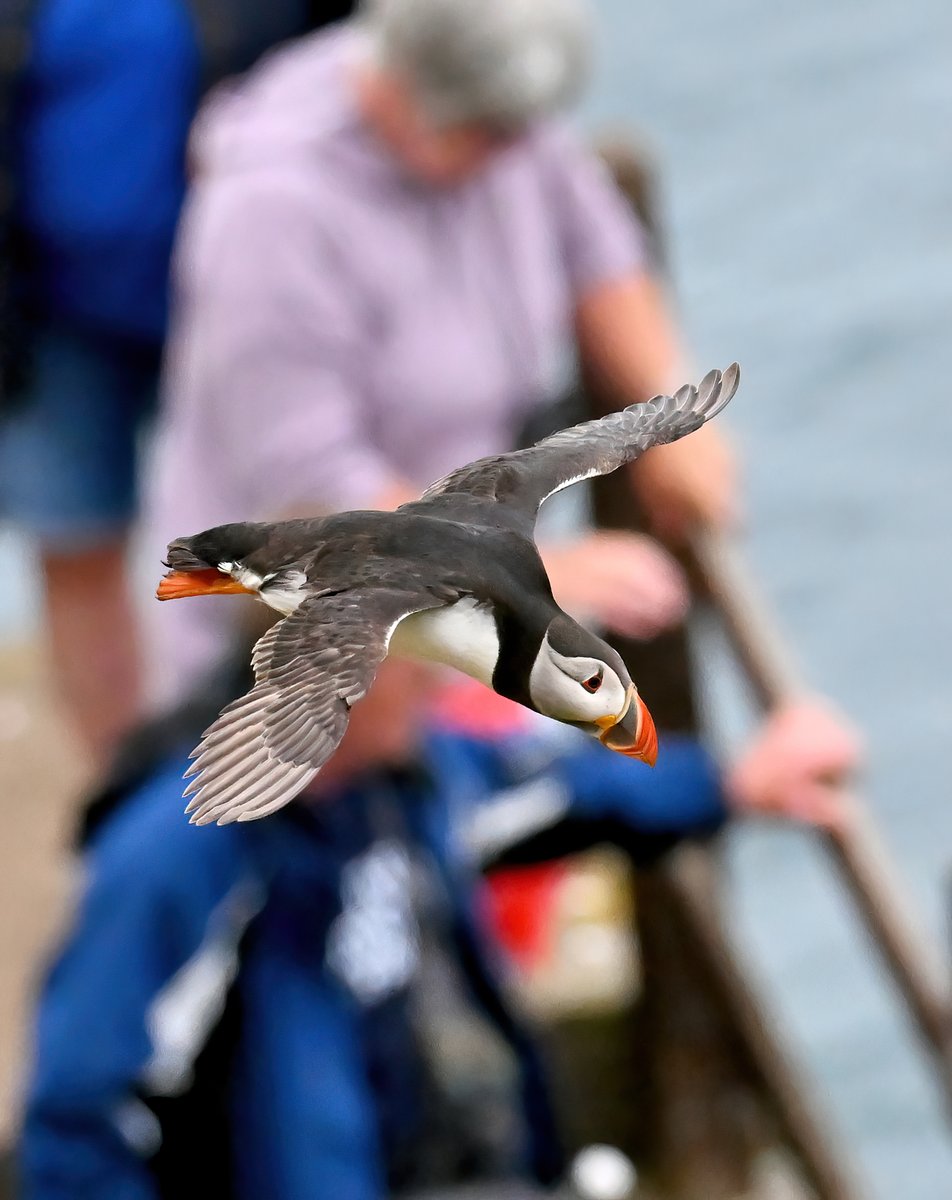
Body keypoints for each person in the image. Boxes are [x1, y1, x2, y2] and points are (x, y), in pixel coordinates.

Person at [18, 650, 858, 1200]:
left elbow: (561, 792)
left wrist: (727, 783)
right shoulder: (183, 855)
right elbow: (76, 1106)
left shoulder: (404, 778)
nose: (436, 679)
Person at [0, 1, 356, 765]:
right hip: (49, 318)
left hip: (237, 305)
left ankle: (279, 779)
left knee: (276, 540)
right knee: (76, 551)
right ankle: (129, 791)